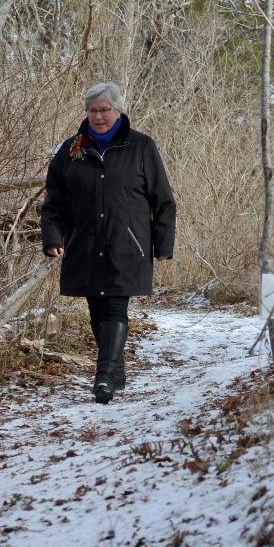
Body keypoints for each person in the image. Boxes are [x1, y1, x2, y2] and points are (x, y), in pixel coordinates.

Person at [40, 82, 176, 404]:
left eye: (104, 110)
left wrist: (163, 243)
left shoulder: (141, 146)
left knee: (115, 306)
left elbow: (164, 200)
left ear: (118, 111)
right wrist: (53, 237)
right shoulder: (70, 150)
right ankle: (115, 370)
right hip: (84, 243)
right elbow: (54, 202)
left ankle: (103, 379)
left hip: (127, 244)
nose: (98, 116)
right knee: (97, 310)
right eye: (93, 110)